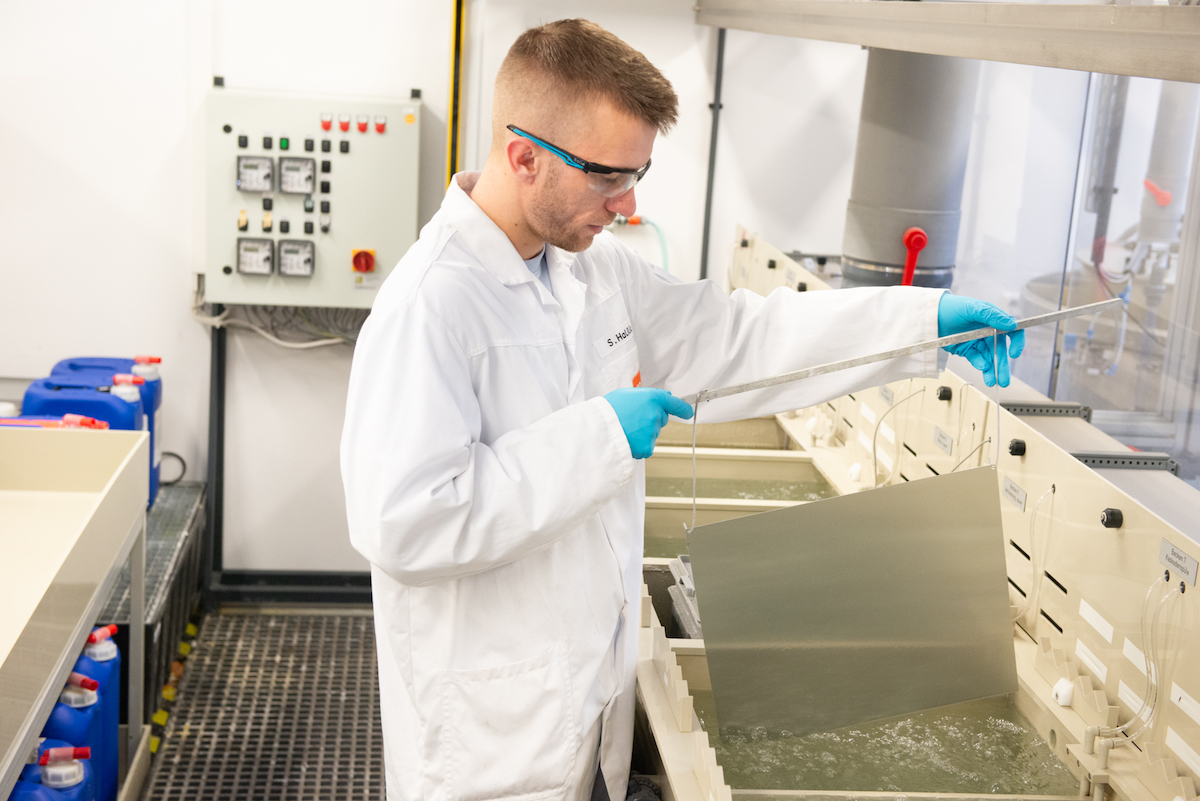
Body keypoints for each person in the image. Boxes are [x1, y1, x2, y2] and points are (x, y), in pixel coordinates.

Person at [341, 19, 1023, 801]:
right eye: (607, 177)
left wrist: (925, 322)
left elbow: (739, 338)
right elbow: (406, 521)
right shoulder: (429, 305)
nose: (628, 203)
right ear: (525, 157)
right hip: (490, 743)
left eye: (638, 174)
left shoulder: (594, 271)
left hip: (585, 709)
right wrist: (600, 436)